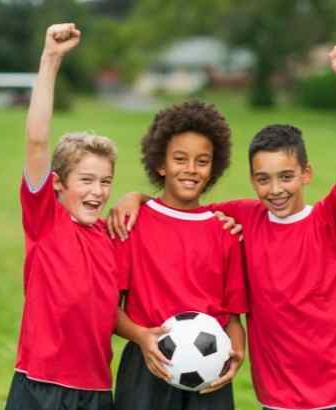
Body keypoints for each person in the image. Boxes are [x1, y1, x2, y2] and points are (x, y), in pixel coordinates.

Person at [108, 46, 336, 410]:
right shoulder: (243, 218)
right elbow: (182, 209)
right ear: (252, 180)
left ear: (306, 174)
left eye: (286, 177)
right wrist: (136, 197)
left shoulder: (328, 222)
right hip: (279, 399)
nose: (276, 189)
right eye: (263, 179)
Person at [5, 23, 118, 410]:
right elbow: (37, 140)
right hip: (40, 386)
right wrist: (51, 59)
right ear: (57, 185)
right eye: (86, 180)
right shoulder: (45, 222)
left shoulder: (112, 236)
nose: (98, 191)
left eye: (106, 181)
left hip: (98, 391)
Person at [113, 101, 248, 410]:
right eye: (180, 159)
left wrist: (237, 346)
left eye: (202, 161)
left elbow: (233, 318)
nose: (190, 169)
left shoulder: (225, 233)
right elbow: (109, 309)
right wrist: (141, 337)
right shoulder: (131, 224)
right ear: (161, 164)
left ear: (214, 168)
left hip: (210, 368)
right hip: (146, 366)